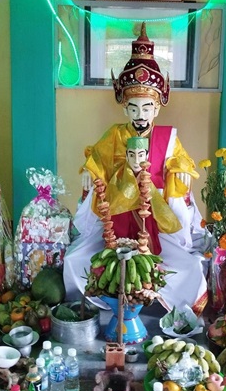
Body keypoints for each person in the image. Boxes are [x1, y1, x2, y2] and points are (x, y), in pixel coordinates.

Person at [63, 23, 209, 314]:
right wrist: (91, 173)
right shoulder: (115, 134)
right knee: (74, 260)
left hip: (156, 217)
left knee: (190, 266)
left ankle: (163, 302)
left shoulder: (167, 138)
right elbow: (97, 160)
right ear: (124, 108)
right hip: (116, 216)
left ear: (157, 108)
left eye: (146, 108)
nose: (140, 115)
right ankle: (94, 306)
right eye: (134, 108)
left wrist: (178, 171)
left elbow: (181, 161)